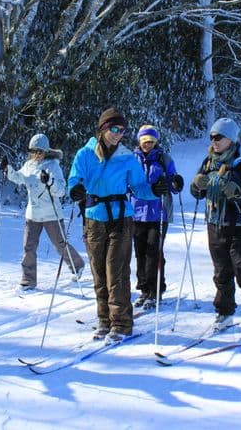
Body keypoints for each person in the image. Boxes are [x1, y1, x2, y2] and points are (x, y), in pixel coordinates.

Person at [67, 107, 167, 343]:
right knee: (99, 272)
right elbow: (74, 179)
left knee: (117, 271)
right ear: (102, 128)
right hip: (93, 218)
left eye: (121, 130)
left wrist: (154, 190)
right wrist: (75, 190)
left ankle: (121, 323)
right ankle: (104, 320)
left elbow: (140, 187)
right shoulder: (85, 154)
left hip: (121, 219)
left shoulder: (126, 158)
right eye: (113, 129)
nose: (117, 134)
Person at [189, 117, 241, 339]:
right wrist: (197, 185)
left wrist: (239, 192)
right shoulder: (209, 161)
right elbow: (197, 192)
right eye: (211, 137)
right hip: (216, 224)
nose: (214, 141)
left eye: (218, 137)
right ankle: (225, 314)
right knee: (221, 273)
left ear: (230, 139)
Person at [2, 133, 85, 290]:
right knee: (28, 247)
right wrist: (8, 170)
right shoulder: (28, 165)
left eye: (40, 151)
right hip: (32, 214)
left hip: (51, 214)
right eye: (33, 151)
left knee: (59, 245)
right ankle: (28, 280)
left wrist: (50, 181)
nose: (36, 155)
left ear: (46, 151)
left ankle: (77, 265)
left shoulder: (53, 166)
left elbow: (61, 191)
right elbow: (19, 178)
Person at [130, 125, 184, 309]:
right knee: (140, 252)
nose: (148, 144)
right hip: (137, 213)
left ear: (156, 142)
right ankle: (144, 289)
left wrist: (174, 183)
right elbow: (126, 182)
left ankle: (156, 290)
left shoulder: (164, 158)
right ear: (139, 141)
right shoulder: (132, 159)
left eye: (151, 141)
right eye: (145, 141)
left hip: (159, 212)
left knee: (154, 251)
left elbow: (173, 182)